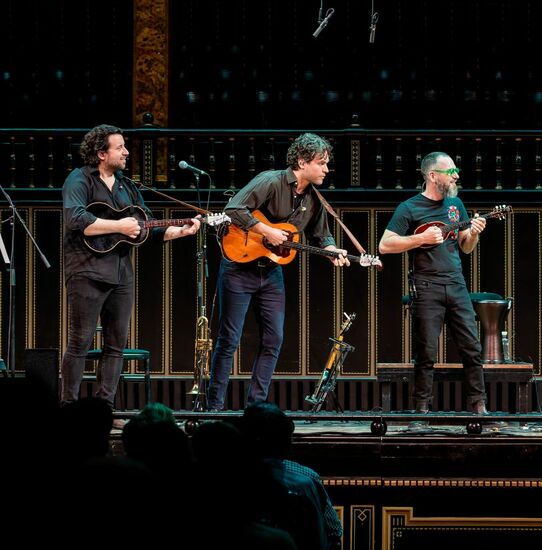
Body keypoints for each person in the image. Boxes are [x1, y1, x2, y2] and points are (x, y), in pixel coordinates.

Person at [206, 133, 349, 411]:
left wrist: (333, 251)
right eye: (321, 163)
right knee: (229, 339)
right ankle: (214, 407)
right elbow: (233, 208)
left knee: (274, 339)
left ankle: (256, 407)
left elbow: (322, 235)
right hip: (239, 267)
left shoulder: (314, 197)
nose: (326, 170)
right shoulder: (271, 181)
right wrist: (266, 230)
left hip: (271, 272)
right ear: (301, 161)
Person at [61, 124, 200, 408]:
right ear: (101, 153)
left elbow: (147, 228)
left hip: (121, 274)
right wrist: (120, 226)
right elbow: (76, 219)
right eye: (119, 147)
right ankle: (69, 409)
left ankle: (105, 410)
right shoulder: (79, 179)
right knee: (80, 343)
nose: (126, 152)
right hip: (86, 272)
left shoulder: (127, 185)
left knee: (116, 347)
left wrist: (181, 231)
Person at [378, 151, 489, 415]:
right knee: (426, 353)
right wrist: (420, 239)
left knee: (472, 348)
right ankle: (422, 409)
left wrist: (473, 233)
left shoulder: (456, 205)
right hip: (426, 286)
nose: (457, 176)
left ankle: (478, 405)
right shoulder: (410, 207)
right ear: (432, 175)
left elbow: (465, 247)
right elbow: (385, 244)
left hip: (456, 283)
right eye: (451, 172)